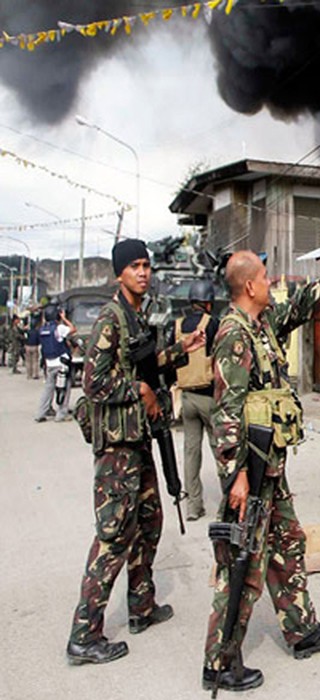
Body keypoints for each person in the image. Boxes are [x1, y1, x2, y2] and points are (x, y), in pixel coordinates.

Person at [201, 250, 320, 692]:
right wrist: (235, 475)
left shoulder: (260, 326)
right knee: (244, 561)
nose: (272, 282)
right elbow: (227, 410)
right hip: (249, 470)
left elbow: (297, 308)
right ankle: (219, 661)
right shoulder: (234, 335)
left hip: (268, 464)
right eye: (265, 277)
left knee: (288, 541)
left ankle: (301, 629)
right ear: (249, 286)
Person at [66, 239, 206, 666]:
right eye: (135, 267)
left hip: (139, 440)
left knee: (149, 522)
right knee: (113, 537)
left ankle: (141, 606)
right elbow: (95, 382)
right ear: (119, 274)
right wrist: (140, 390)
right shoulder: (111, 318)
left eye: (147, 265)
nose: (143, 272)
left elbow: (142, 362)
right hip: (117, 448)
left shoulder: (136, 316)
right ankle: (84, 634)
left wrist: (182, 349)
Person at [169, 279, 221, 520]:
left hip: (186, 397)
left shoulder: (177, 326)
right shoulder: (212, 324)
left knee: (191, 452)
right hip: (209, 398)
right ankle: (229, 502)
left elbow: (170, 359)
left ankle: (193, 506)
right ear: (208, 303)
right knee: (221, 450)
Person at [34, 304, 77, 422]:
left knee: (48, 389)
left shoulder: (42, 330)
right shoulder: (59, 328)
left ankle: (40, 413)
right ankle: (61, 414)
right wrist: (64, 318)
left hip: (49, 363)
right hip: (62, 363)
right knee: (64, 388)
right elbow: (73, 329)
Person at [25, 308, 40, 379]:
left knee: (28, 361)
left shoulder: (28, 332)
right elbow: (39, 339)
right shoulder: (37, 332)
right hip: (35, 346)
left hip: (28, 346)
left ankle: (29, 374)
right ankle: (35, 374)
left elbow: (25, 338)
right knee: (35, 361)